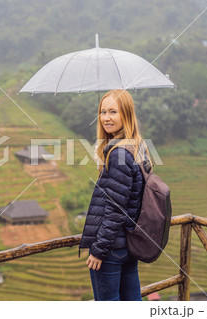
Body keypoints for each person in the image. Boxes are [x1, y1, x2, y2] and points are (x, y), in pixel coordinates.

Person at [78, 89, 152, 301]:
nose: (106, 118)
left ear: (126, 115)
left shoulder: (119, 153)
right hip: (128, 246)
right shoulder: (136, 148)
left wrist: (99, 249)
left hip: (111, 248)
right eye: (102, 112)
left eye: (113, 112)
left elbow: (115, 209)